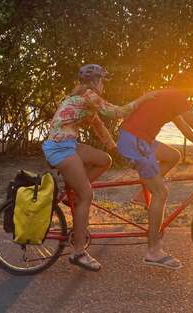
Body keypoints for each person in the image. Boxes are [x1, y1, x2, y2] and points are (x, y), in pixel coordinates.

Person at [42, 64, 156, 272]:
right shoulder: (88, 95)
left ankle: (74, 195)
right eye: (102, 81)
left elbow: (100, 128)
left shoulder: (83, 101)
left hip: (68, 144)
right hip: (60, 147)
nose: (103, 85)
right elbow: (116, 112)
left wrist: (120, 153)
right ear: (94, 81)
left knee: (104, 160)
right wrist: (144, 98)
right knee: (87, 195)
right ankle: (78, 252)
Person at [117, 72, 193, 270]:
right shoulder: (177, 97)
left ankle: (143, 191)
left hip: (134, 138)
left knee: (173, 156)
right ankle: (153, 251)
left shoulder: (168, 96)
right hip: (136, 141)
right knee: (161, 193)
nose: (192, 95)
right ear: (188, 88)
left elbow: (186, 129)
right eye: (192, 89)